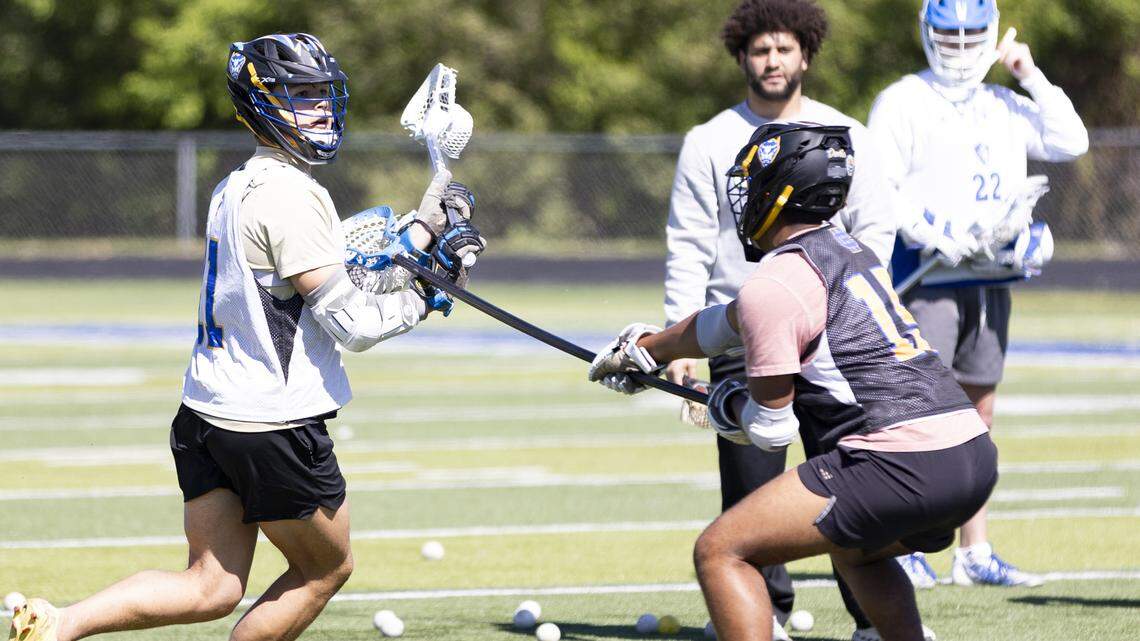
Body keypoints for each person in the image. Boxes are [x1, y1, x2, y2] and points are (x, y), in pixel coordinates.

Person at [8, 33, 482, 641]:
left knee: (211, 586)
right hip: (271, 424)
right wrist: (431, 289)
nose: (319, 109)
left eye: (321, 95)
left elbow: (314, 275)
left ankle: (60, 624)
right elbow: (355, 323)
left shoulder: (238, 185)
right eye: (300, 95)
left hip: (207, 411)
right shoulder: (294, 196)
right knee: (324, 567)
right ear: (263, 103)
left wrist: (421, 232)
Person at [591, 122, 997, 641]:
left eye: (752, 183)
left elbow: (770, 430)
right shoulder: (848, 252)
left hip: (903, 465)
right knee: (857, 552)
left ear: (780, 191)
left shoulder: (778, 280)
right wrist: (646, 351)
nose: (744, 198)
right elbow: (723, 322)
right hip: (971, 457)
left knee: (721, 550)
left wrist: (721, 402)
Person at [664, 0, 895, 637]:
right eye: (760, 50)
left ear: (806, 55)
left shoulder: (848, 134)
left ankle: (872, 622)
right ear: (742, 57)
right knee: (749, 490)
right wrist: (679, 339)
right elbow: (689, 243)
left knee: (854, 482)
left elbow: (876, 229)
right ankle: (762, 618)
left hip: (839, 335)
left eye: (784, 49)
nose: (772, 61)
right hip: (739, 331)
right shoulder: (707, 141)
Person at [869, 0, 1087, 588]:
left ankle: (973, 551)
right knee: (916, 414)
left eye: (972, 36)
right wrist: (934, 232)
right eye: (950, 35)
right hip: (925, 279)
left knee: (978, 417)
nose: (961, 47)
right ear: (927, 32)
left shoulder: (1003, 102)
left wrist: (1028, 73)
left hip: (989, 282)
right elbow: (881, 188)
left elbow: (1072, 141)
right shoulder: (903, 101)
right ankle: (906, 544)